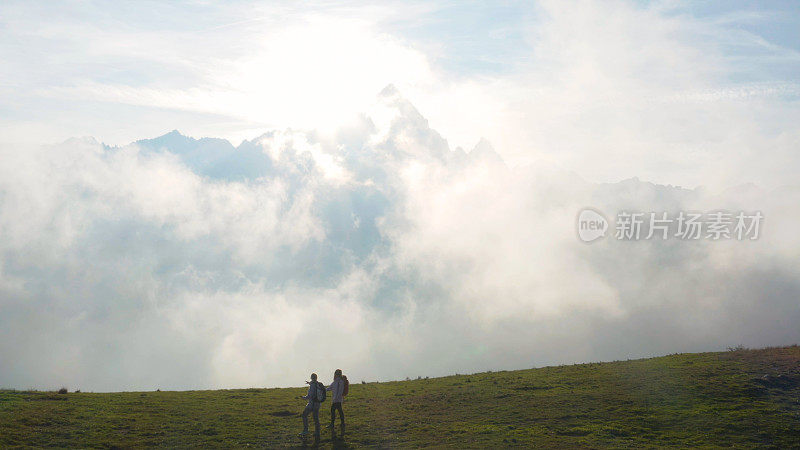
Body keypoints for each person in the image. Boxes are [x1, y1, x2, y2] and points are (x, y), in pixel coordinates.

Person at [299, 373, 321, 441]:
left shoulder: (312, 386)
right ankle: (317, 432)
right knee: (316, 418)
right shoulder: (318, 384)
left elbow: (309, 396)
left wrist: (303, 397)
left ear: (311, 378)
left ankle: (306, 430)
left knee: (304, 415)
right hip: (317, 404)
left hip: (311, 405)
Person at [325, 369, 346, 435]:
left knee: (334, 411)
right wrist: (323, 389)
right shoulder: (335, 382)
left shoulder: (340, 382)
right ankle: (341, 423)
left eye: (336, 373)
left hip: (337, 400)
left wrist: (336, 398)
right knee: (339, 411)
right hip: (335, 400)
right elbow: (329, 388)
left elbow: (340, 391)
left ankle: (334, 424)